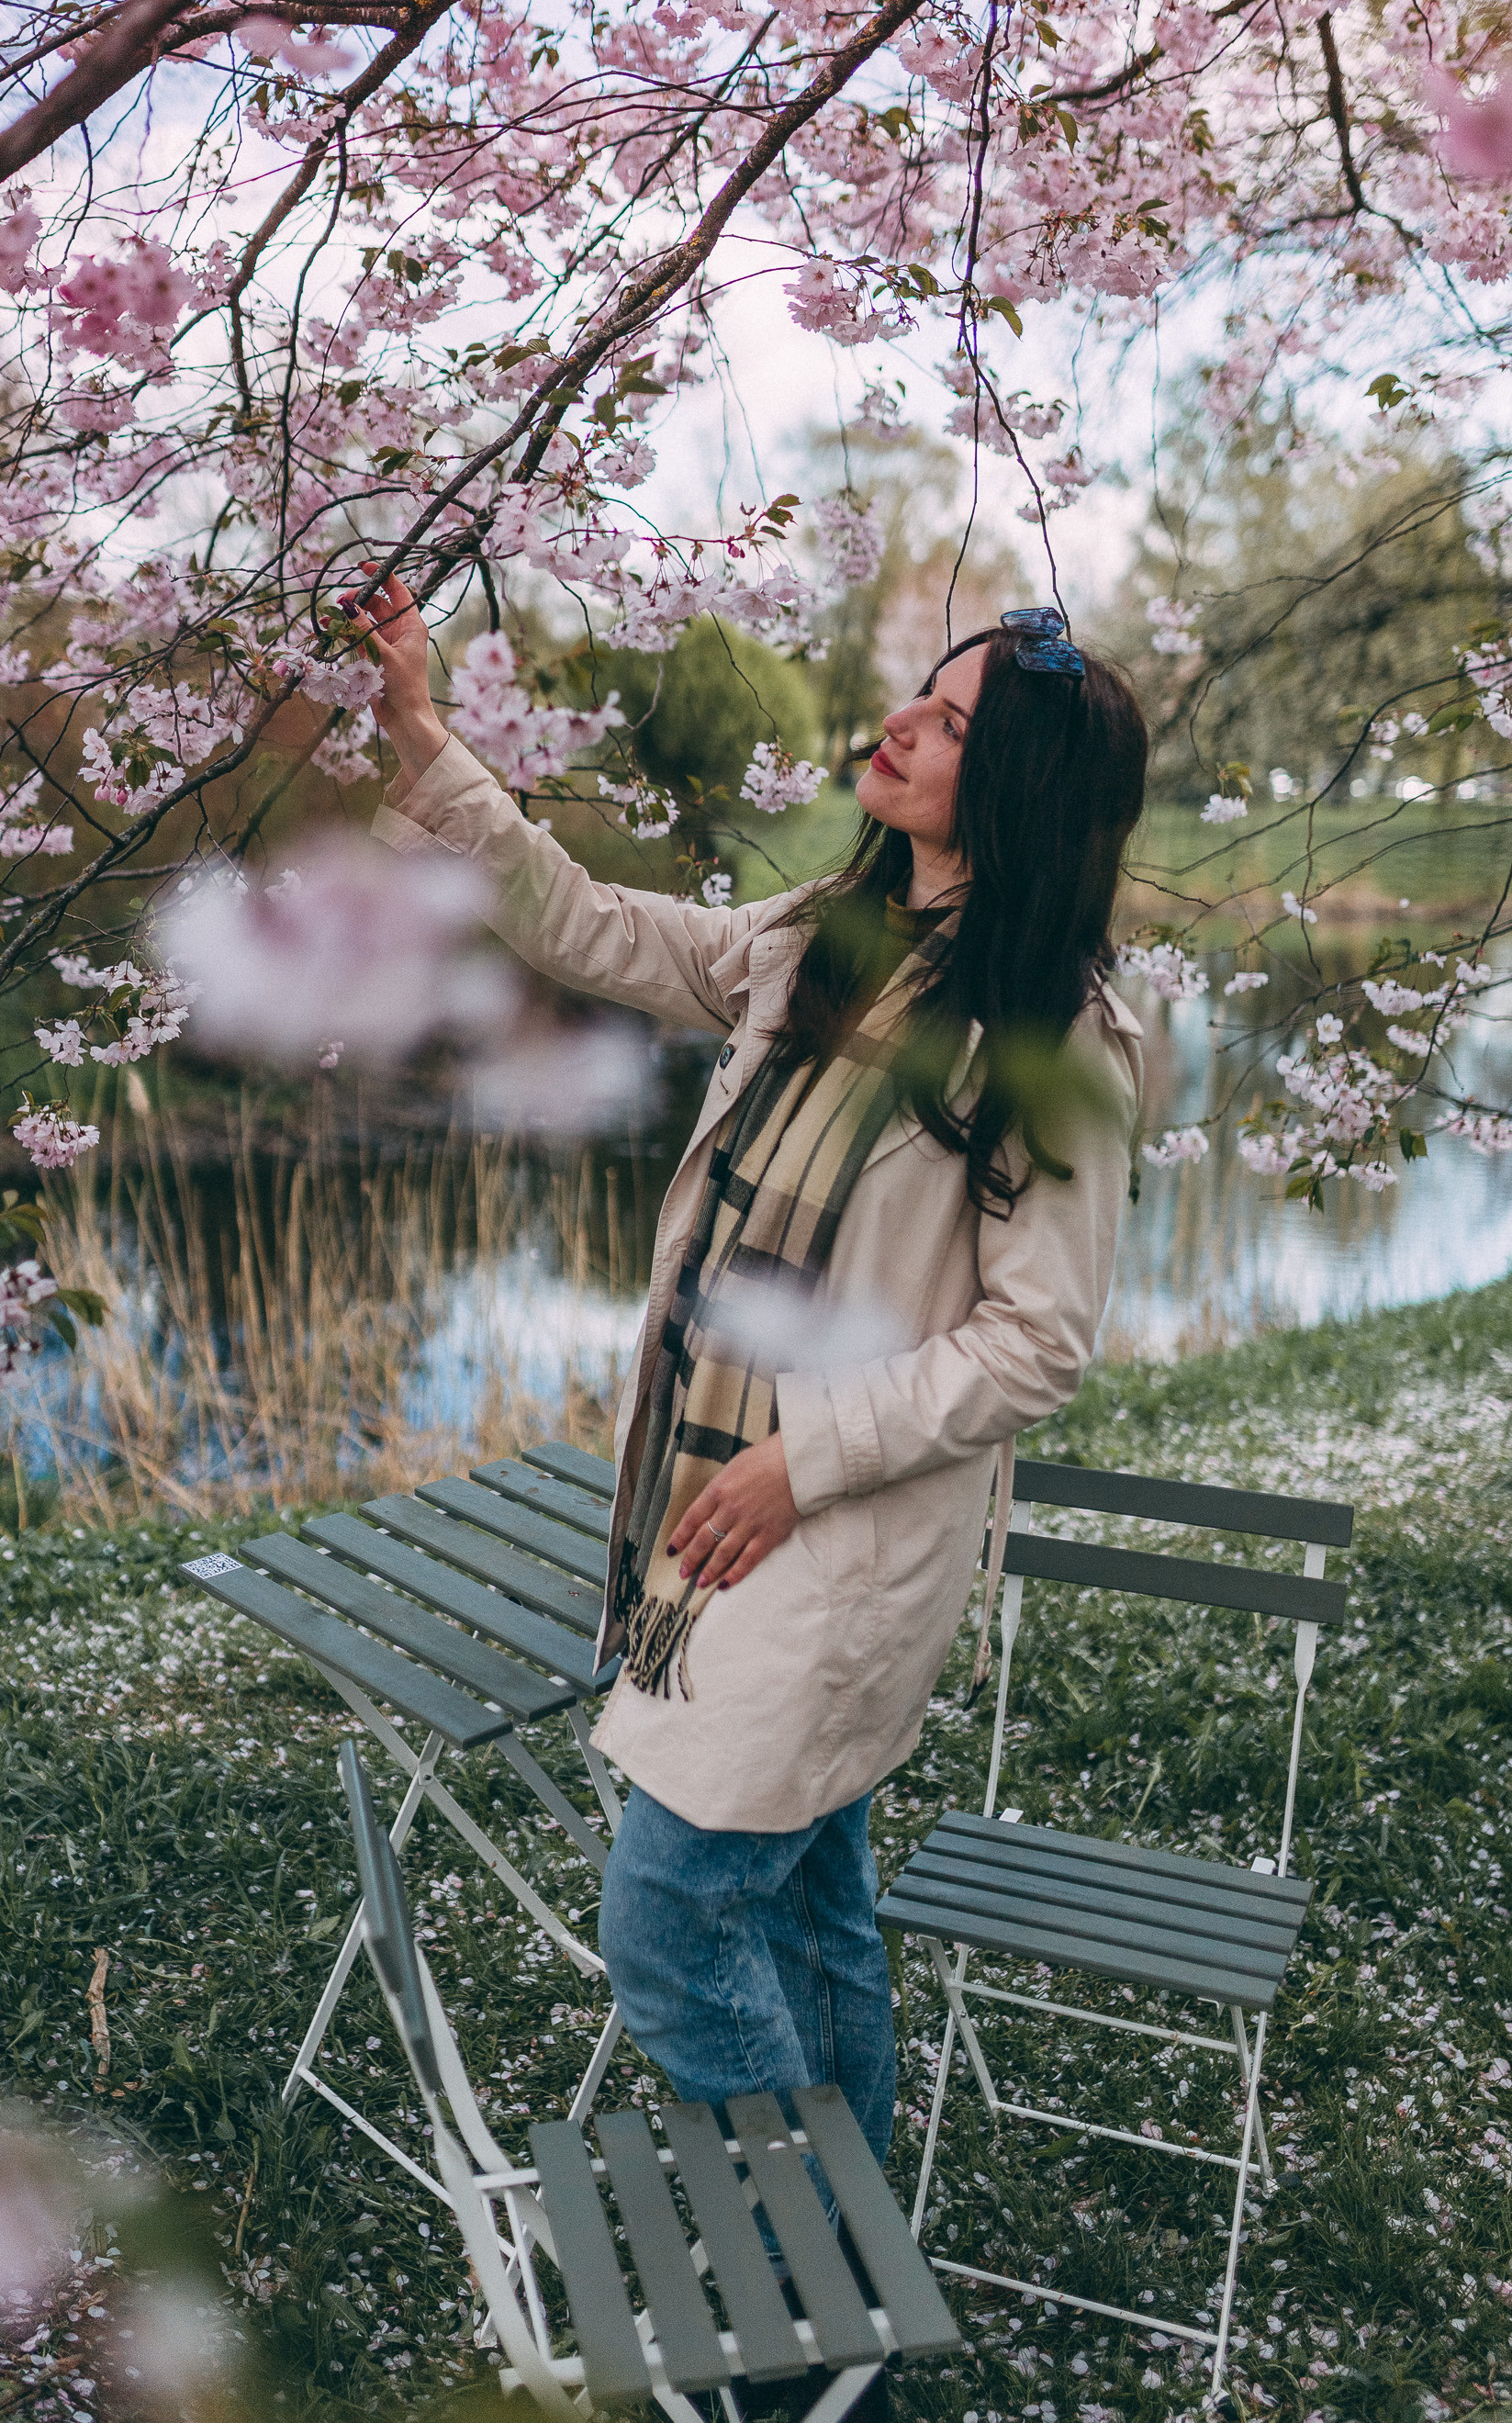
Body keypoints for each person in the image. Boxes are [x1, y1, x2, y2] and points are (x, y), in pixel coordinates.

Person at [363, 583, 1148, 2196]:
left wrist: (804, 1460)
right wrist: (428, 741)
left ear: (1019, 785)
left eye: (952, 723)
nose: (902, 724)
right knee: (809, 1902)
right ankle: (860, 2270)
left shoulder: (1058, 1032)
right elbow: (597, 928)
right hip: (699, 1488)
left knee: (669, 1920)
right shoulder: (825, 938)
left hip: (828, 1533)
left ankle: (801, 2261)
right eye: (921, 693)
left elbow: (1038, 1341)